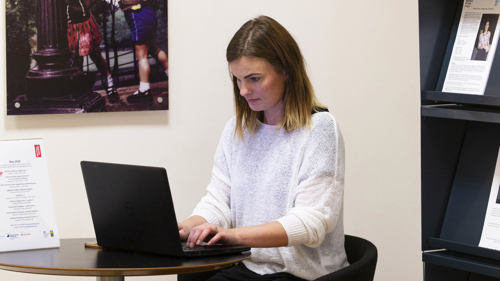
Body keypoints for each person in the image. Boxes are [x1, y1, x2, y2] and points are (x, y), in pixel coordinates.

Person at [177, 15, 349, 281]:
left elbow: (311, 223)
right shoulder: (237, 129)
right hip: (248, 267)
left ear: (286, 71)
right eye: (237, 79)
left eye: (254, 78)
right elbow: (220, 201)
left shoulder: (319, 128)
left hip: (300, 274)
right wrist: (189, 226)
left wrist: (233, 236)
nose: (244, 90)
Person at [66, 0, 118, 102]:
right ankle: (79, 90)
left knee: (95, 55)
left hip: (84, 23)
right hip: (70, 26)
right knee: (76, 60)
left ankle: (109, 83)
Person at [118, 0, 169, 103]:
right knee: (153, 49)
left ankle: (144, 89)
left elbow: (125, 3)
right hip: (149, 13)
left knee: (141, 55)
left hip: (138, 15)